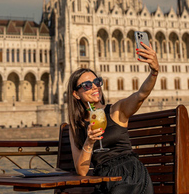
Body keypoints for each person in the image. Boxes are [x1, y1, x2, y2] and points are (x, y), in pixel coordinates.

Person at [66, 42, 159, 194]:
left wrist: (154, 71)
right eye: (87, 85)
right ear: (76, 94)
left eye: (97, 82)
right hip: (104, 180)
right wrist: (89, 142)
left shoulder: (116, 111)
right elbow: (82, 171)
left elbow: (141, 95)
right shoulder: (76, 126)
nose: (95, 87)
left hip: (130, 175)